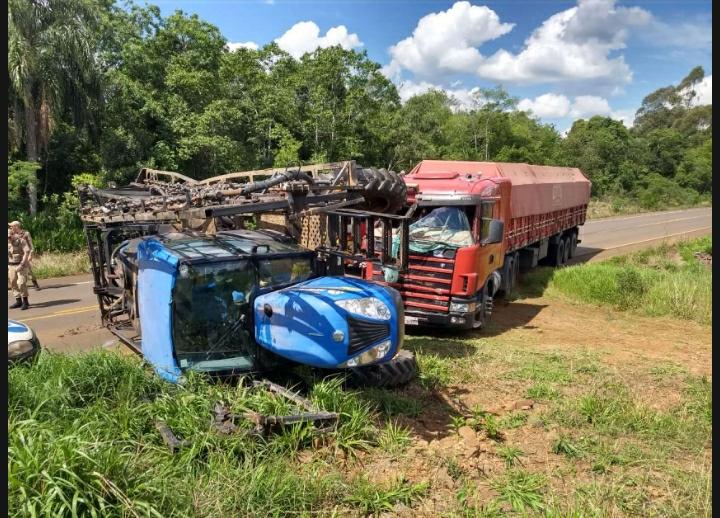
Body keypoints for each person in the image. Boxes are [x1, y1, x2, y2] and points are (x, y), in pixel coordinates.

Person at [9, 221, 40, 290]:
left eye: (12, 226)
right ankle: (17, 285)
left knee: (29, 271)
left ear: (16, 226)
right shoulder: (12, 235)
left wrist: (30, 255)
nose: (10, 227)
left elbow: (31, 245)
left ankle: (35, 284)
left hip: (25, 255)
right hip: (15, 257)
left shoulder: (26, 234)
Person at [8, 225, 31, 310]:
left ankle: (25, 301)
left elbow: (26, 252)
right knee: (13, 282)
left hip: (21, 265)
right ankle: (18, 301)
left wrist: (22, 264)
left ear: (13, 234)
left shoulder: (21, 241)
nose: (8, 238)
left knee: (21, 283)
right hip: (11, 265)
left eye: (10, 236)